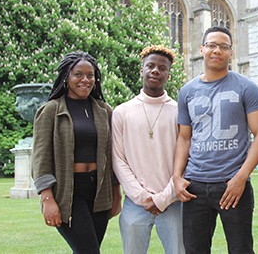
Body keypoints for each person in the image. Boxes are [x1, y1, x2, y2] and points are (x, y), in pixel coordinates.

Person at [172, 26, 258, 253]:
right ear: (202, 49)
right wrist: (177, 176)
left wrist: (241, 178)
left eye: (224, 47)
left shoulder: (247, 87)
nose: (217, 51)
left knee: (240, 249)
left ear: (231, 53)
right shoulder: (187, 91)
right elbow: (184, 138)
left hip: (232, 183)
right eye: (212, 45)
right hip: (194, 185)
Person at [31, 51, 121, 253]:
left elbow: (112, 155)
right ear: (66, 77)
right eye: (78, 74)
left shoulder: (104, 110)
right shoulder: (51, 111)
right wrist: (47, 199)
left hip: (100, 194)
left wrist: (117, 194)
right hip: (67, 194)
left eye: (90, 75)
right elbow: (40, 158)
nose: (85, 80)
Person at [112, 45, 185, 254]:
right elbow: (118, 158)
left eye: (162, 68)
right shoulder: (122, 112)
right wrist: (142, 196)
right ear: (141, 70)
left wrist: (164, 197)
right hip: (136, 202)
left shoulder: (179, 111)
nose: (155, 71)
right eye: (150, 66)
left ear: (168, 75)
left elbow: (186, 156)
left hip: (173, 200)